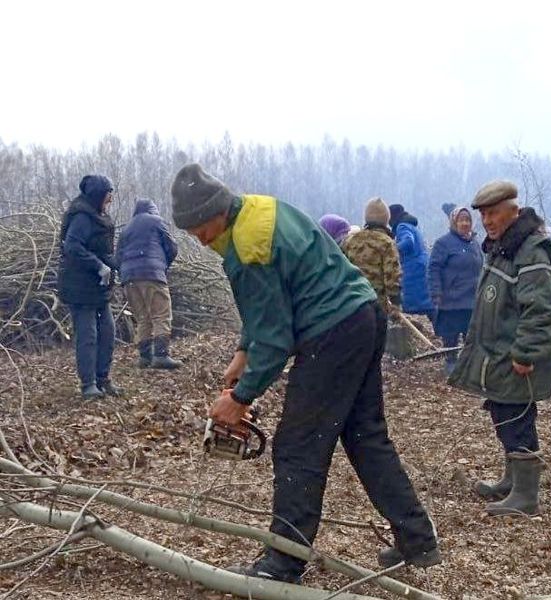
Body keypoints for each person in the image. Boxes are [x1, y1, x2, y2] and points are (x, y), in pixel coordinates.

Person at [170, 164, 439, 583]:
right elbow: (271, 302)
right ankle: (418, 539)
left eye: (199, 227)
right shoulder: (262, 210)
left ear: (218, 211)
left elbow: (276, 339)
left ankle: (284, 561)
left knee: (298, 446)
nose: (198, 238)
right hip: (364, 314)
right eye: (190, 230)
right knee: (365, 434)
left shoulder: (246, 246)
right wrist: (244, 352)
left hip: (331, 330)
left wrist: (239, 399)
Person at [448, 181, 551, 517]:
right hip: (498, 355)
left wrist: (524, 353)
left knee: (517, 420)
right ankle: (511, 481)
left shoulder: (531, 252)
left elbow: (540, 311)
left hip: (516, 358)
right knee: (504, 415)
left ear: (514, 211)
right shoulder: (503, 247)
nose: (488, 220)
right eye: (484, 214)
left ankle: (526, 497)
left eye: (494, 213)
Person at [58, 175, 123, 400]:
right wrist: (98, 266)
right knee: (88, 335)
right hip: (78, 286)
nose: (111, 198)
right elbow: (72, 246)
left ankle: (103, 379)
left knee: (108, 331)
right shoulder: (82, 217)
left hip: (98, 287)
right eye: (108, 194)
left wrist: (119, 266)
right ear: (97, 194)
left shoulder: (100, 215)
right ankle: (88, 385)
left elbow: (103, 250)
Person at [116, 198, 181, 369]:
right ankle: (161, 355)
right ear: (153, 209)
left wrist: (125, 273)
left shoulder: (126, 229)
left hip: (128, 278)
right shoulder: (156, 221)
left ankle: (144, 357)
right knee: (161, 314)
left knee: (143, 317)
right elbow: (172, 247)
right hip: (152, 274)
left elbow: (118, 256)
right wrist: (163, 265)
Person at [428, 207, 483, 373]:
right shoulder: (443, 243)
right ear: (454, 222)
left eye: (467, 220)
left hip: (472, 298)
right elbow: (433, 268)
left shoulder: (474, 244)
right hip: (451, 299)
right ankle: (451, 361)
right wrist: (435, 291)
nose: (465, 223)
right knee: (450, 333)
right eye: (461, 220)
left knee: (471, 333)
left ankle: (469, 364)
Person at [343, 198, 402, 313]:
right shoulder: (386, 243)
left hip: (351, 303)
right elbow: (392, 278)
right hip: (376, 305)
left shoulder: (350, 241)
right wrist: (396, 303)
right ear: (386, 219)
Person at [389, 204, 435, 321]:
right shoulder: (412, 226)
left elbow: (408, 242)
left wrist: (391, 249)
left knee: (411, 301)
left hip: (412, 268)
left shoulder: (402, 226)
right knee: (426, 301)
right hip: (422, 265)